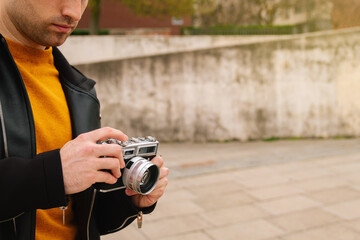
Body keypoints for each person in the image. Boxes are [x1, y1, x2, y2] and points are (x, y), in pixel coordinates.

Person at [0, 0, 169, 239]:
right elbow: (55, 178)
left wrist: (131, 201)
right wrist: (54, 175)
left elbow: (85, 219)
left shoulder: (81, 90)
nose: (74, 12)